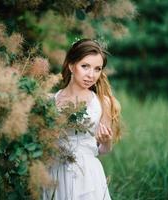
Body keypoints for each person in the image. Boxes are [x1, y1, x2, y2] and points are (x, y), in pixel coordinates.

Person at [43, 39, 121, 200]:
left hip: (87, 176)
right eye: (85, 66)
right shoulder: (50, 100)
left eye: (97, 69)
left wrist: (106, 141)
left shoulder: (102, 102)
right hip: (55, 172)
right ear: (71, 65)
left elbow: (103, 150)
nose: (91, 75)